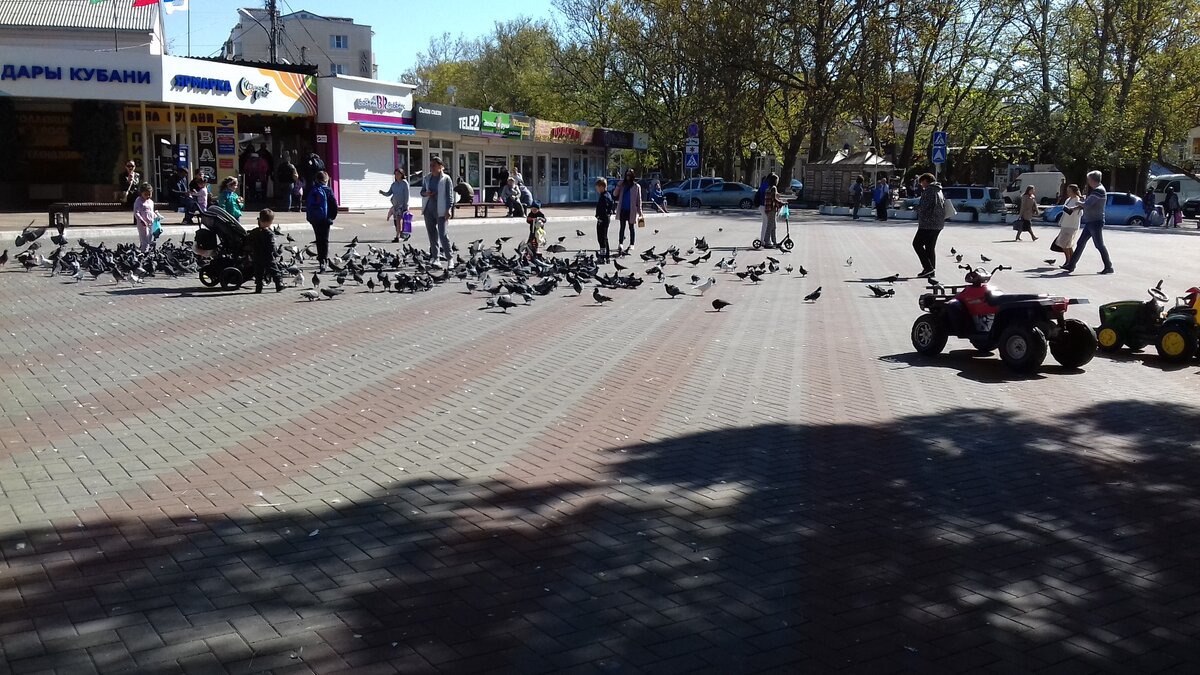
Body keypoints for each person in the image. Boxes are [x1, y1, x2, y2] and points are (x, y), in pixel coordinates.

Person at [1064, 170, 1113, 274]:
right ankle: (1071, 265)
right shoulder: (1097, 190)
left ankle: (1108, 266)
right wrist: (1075, 208)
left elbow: (1087, 204)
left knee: (1099, 245)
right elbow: (1087, 204)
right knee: (1081, 242)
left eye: (1089, 180)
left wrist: (1078, 202)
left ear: (1092, 180)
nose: (1088, 182)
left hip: (1095, 221)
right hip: (1091, 221)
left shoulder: (1099, 190)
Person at [421, 156, 455, 266]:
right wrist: (427, 193)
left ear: (440, 167)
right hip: (428, 210)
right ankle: (436, 258)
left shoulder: (446, 179)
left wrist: (448, 209)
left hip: (441, 210)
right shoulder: (427, 178)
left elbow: (450, 196)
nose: (432, 167)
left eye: (434, 165)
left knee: (443, 235)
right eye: (431, 165)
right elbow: (422, 192)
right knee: (432, 235)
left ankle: (450, 258)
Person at [912, 173, 945, 277]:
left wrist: (916, 208)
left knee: (917, 244)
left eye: (921, 182)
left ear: (926, 181)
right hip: (938, 223)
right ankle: (931, 271)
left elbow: (926, 207)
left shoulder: (929, 191)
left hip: (928, 224)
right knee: (930, 247)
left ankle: (928, 268)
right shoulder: (938, 190)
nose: (921, 185)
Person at [305, 171, 338, 273]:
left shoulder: (312, 189)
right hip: (325, 219)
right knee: (324, 240)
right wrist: (331, 217)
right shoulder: (327, 190)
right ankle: (323, 261)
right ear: (326, 180)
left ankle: (321, 260)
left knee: (318, 239)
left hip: (315, 219)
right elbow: (334, 205)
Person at [249, 208, 284, 293]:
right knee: (274, 270)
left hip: (257, 256)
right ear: (270, 222)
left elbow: (250, 242)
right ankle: (279, 284)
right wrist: (276, 253)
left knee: (259, 272)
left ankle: (258, 287)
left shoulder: (254, 232)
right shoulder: (269, 233)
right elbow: (271, 246)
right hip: (268, 256)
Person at [612, 169, 643, 249]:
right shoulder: (622, 185)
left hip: (631, 210)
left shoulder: (636, 186)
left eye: (629, 175)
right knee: (622, 227)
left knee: (631, 227)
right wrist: (618, 185)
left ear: (633, 176)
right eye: (626, 175)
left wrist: (640, 212)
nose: (628, 177)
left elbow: (639, 200)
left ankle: (632, 244)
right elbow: (615, 194)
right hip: (623, 209)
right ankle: (620, 243)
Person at [1054, 183, 1083, 267]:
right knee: (1067, 245)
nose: (1068, 192)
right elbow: (1064, 211)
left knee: (1065, 244)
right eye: (1067, 191)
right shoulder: (1068, 199)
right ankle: (1070, 261)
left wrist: (1072, 211)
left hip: (1072, 225)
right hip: (1065, 224)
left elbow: (1080, 213)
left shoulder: (1078, 201)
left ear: (1074, 192)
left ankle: (1069, 261)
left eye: (1069, 191)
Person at [380, 168, 411, 243]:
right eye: (395, 174)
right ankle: (403, 234)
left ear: (402, 175)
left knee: (399, 220)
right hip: (395, 205)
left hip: (402, 205)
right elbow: (389, 193)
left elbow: (407, 195)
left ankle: (397, 236)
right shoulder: (394, 184)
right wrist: (382, 193)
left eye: (398, 174)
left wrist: (406, 205)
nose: (396, 176)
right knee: (396, 221)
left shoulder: (404, 183)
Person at [132, 183, 158, 252]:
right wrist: (141, 220)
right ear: (141, 193)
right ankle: (144, 254)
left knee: (149, 239)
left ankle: (146, 252)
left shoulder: (151, 202)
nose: (148, 196)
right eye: (146, 194)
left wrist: (156, 217)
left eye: (150, 194)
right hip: (143, 223)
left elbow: (151, 212)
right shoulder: (139, 201)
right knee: (145, 240)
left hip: (150, 223)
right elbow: (136, 212)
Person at [760, 173, 784, 248]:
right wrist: (781, 203)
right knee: (770, 226)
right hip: (771, 209)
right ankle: (766, 241)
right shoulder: (773, 188)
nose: (778, 181)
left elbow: (772, 197)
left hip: (768, 209)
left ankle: (774, 241)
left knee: (773, 226)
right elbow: (774, 199)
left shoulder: (769, 188)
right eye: (777, 180)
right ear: (775, 181)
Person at [595, 177, 614, 261]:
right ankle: (606, 256)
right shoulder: (607, 195)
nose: (597, 189)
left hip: (603, 219)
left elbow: (604, 209)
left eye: (597, 187)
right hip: (606, 218)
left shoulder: (604, 197)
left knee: (601, 238)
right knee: (604, 237)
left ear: (602, 186)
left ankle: (603, 256)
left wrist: (600, 218)